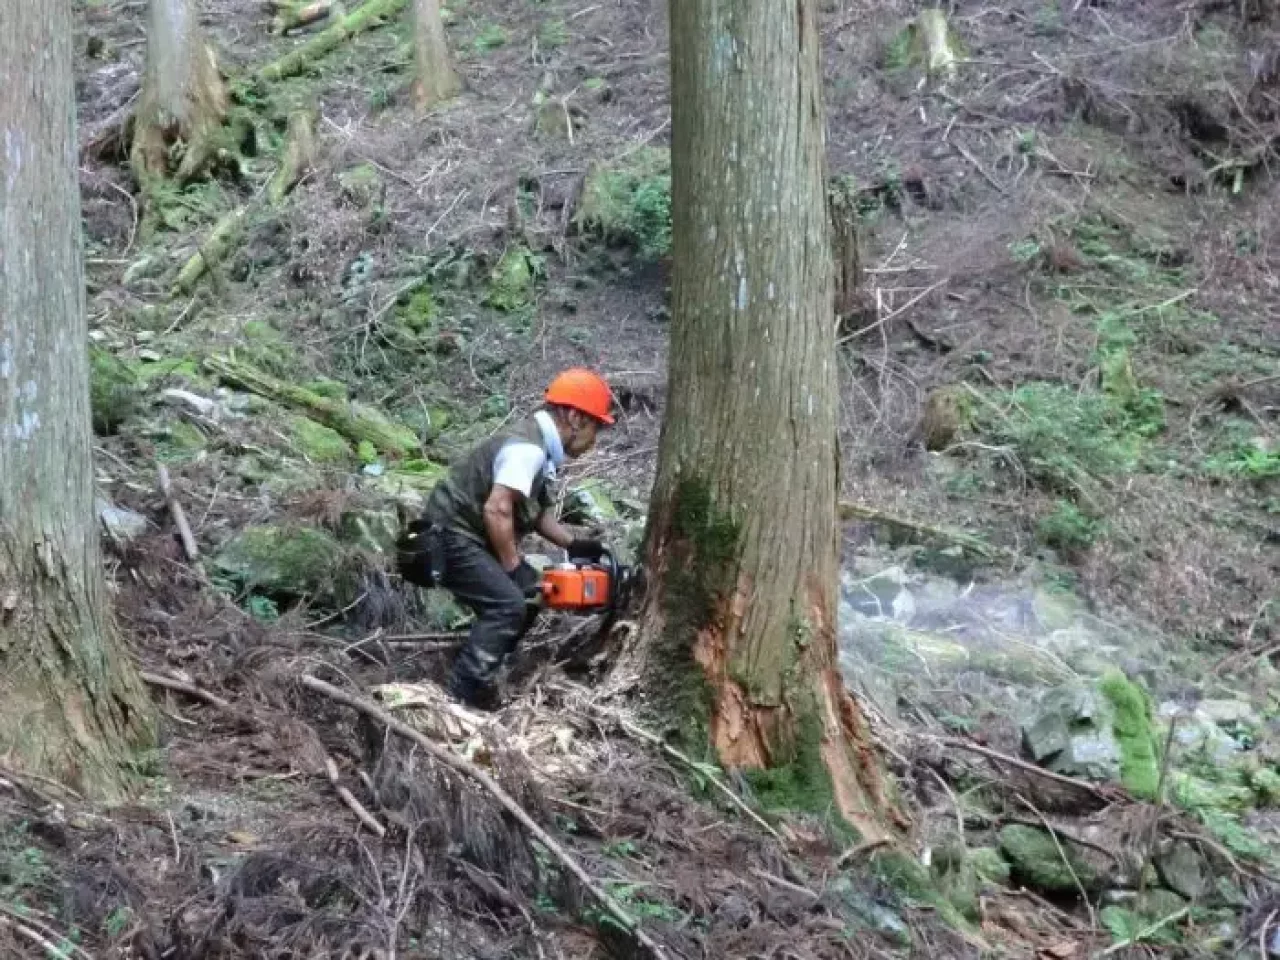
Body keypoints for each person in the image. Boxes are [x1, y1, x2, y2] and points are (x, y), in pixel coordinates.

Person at [421, 369, 614, 708]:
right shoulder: (528, 449)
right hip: (449, 535)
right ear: (574, 417)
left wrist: (572, 544)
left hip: (463, 533)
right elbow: (497, 510)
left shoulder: (536, 445)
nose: (593, 442)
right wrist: (513, 566)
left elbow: (532, 511)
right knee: (507, 604)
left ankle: (492, 663)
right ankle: (458, 697)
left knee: (531, 592)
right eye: (594, 429)